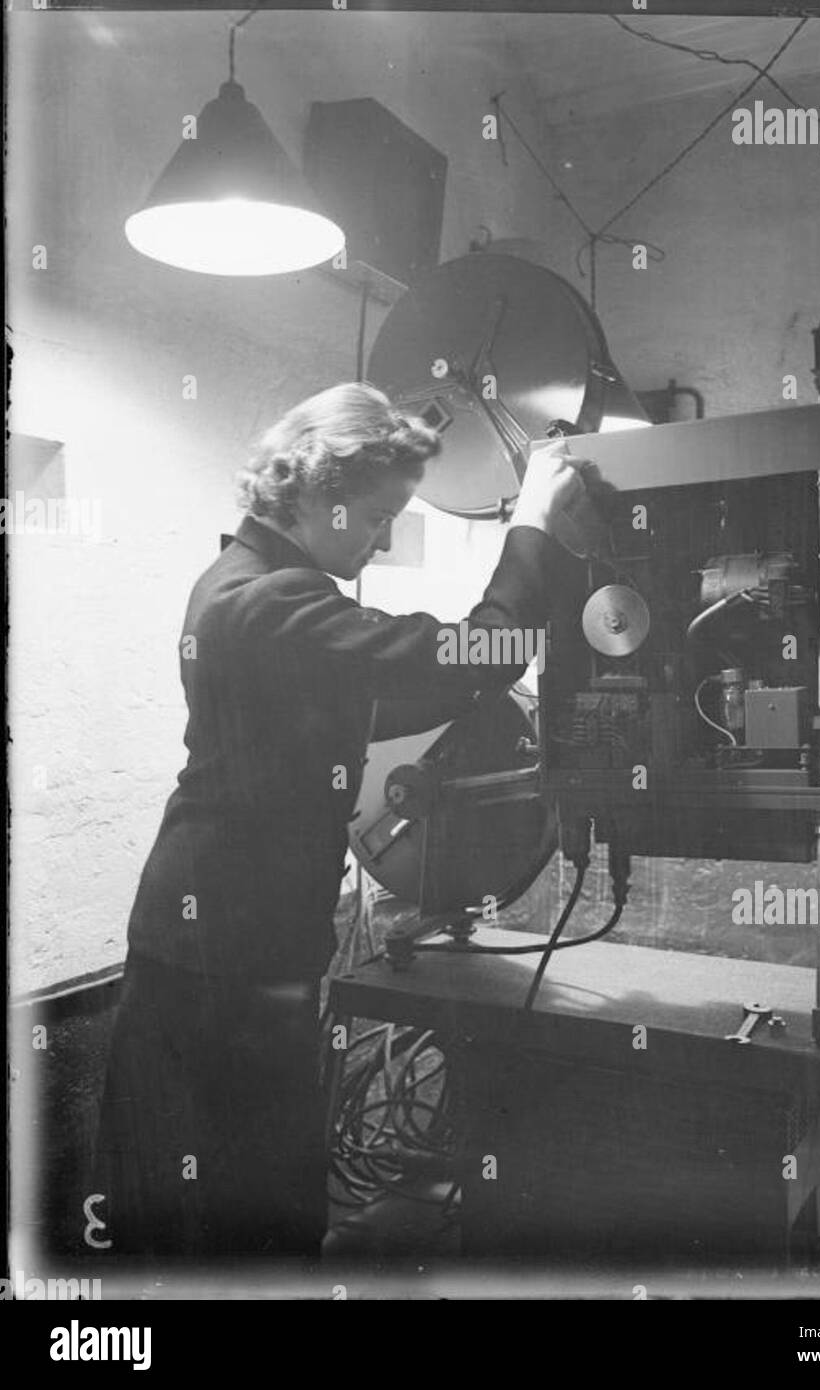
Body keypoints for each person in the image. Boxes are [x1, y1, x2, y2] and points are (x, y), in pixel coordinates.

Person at [93, 381, 587, 1260]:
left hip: (215, 939)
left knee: (210, 1190)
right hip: (229, 952)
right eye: (377, 515)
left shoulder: (244, 582)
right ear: (323, 500)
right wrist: (536, 523)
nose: (386, 537)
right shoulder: (276, 603)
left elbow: (361, 701)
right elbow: (477, 655)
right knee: (255, 1196)